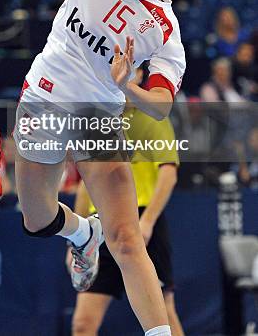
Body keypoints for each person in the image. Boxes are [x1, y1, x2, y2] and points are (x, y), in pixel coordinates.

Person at [14, 0, 247, 336]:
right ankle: (78, 234)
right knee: (33, 216)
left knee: (127, 238)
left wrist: (130, 87)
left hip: (99, 111)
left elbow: (163, 104)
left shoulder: (164, 27)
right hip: (45, 96)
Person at [68, 101, 185, 336]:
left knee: (165, 314)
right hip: (99, 225)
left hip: (141, 221)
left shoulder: (153, 119)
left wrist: (148, 221)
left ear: (139, 76)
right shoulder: (96, 123)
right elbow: (86, 184)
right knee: (82, 324)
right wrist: (76, 241)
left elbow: (168, 174)